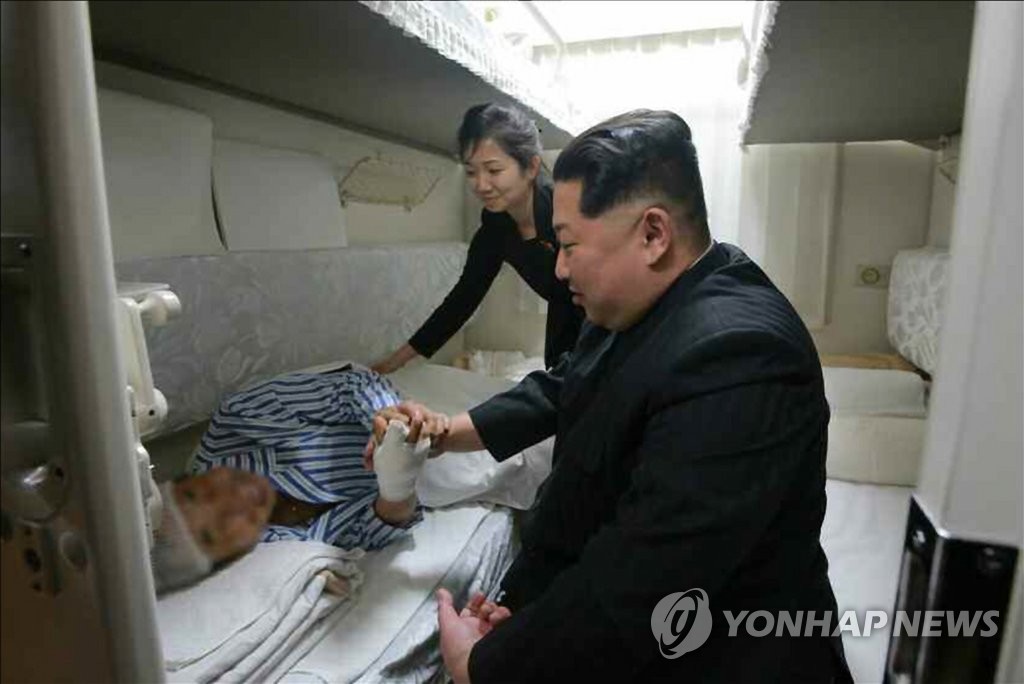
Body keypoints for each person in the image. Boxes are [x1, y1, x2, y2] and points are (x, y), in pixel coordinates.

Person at [369, 110, 853, 682]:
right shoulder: (640, 302)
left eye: (570, 245)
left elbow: (645, 576)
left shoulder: (741, 356)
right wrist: (443, 435)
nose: (558, 268)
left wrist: (484, 666)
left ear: (653, 235)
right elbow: (566, 384)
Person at [150, 364, 447, 592]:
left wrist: (391, 421)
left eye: (193, 494)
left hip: (421, 401)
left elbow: (351, 386)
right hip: (437, 483)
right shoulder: (281, 548)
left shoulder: (239, 420)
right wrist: (398, 485)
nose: (229, 501)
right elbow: (377, 528)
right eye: (213, 533)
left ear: (182, 479)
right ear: (225, 559)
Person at [372, 103, 584, 374]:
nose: (481, 185)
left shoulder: (567, 210)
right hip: (563, 323)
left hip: (607, 321)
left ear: (531, 167)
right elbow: (463, 299)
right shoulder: (496, 228)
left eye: (493, 170)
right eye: (471, 172)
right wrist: (392, 363)